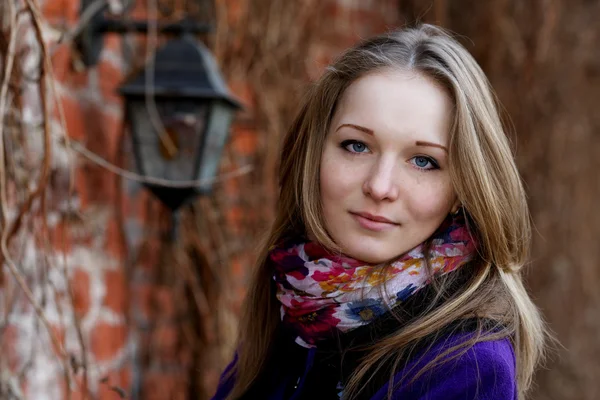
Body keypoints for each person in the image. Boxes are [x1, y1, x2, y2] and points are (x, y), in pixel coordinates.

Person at [212, 24, 547, 400]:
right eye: (356, 146)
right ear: (315, 155)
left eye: (423, 161)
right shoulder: (297, 309)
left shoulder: (466, 365)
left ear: (462, 189)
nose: (380, 186)